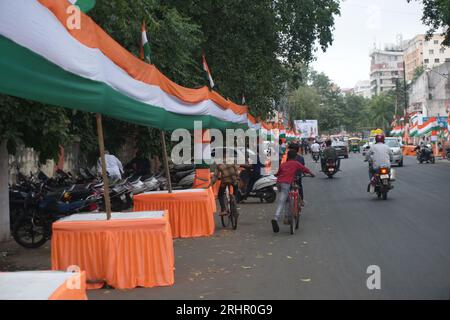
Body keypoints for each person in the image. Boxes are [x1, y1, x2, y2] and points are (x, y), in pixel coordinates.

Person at [271, 150, 315, 233]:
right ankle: (275, 218)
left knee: (287, 200)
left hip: (279, 183)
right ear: (295, 157)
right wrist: (312, 174)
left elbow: (277, 173)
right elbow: (305, 169)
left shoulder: (283, 164)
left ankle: (287, 217)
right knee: (282, 201)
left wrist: (276, 175)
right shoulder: (295, 163)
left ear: (287, 156)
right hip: (286, 183)